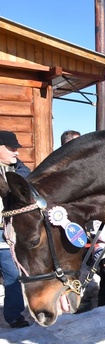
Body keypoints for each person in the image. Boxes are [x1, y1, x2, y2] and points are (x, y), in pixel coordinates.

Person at [0, 130, 31, 328]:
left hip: (6, 233)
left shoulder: (20, 171)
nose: (17, 152)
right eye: (11, 148)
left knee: (13, 274)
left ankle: (14, 315)